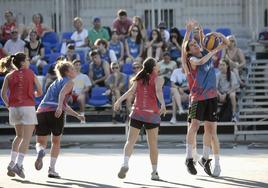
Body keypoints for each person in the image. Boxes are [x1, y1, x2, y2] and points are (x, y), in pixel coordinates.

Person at [181, 20, 229, 177]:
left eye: (196, 44)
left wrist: (217, 35)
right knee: (194, 126)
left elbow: (226, 42)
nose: (196, 45)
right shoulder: (192, 60)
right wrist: (188, 32)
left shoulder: (204, 51)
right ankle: (189, 158)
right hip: (197, 97)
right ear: (189, 51)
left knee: (210, 130)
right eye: (193, 45)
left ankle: (205, 159)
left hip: (211, 97)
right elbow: (200, 60)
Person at [114, 57, 166, 180]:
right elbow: (158, 92)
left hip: (137, 112)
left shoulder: (139, 77)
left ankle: (125, 163)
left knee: (130, 141)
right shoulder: (159, 79)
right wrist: (163, 104)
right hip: (151, 114)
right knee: (153, 145)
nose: (159, 64)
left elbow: (130, 92)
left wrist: (118, 100)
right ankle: (154, 172)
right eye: (157, 63)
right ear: (154, 67)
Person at [34, 61, 85, 178]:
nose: (75, 70)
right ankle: (51, 170)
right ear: (67, 72)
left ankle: (40, 151)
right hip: (55, 112)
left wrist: (77, 115)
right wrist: (58, 107)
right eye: (72, 69)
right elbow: (62, 96)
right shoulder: (70, 82)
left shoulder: (54, 83)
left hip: (41, 111)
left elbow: (64, 105)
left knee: (40, 142)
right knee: (55, 142)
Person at [1, 53, 42, 178]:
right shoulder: (31, 73)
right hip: (27, 107)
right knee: (26, 138)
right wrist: (31, 94)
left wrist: (9, 106)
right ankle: (18, 165)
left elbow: (3, 94)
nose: (29, 61)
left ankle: (12, 162)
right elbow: (40, 92)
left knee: (18, 136)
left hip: (14, 108)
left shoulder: (9, 75)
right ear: (22, 63)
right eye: (27, 59)